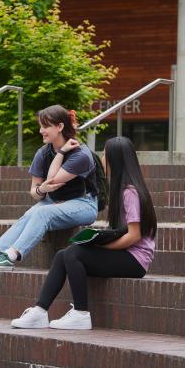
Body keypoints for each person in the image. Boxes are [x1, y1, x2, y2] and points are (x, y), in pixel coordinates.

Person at [10, 136, 157, 330]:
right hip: (126, 255)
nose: (102, 159)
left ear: (114, 159)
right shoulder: (122, 189)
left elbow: (134, 236)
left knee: (73, 253)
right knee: (63, 255)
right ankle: (39, 311)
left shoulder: (130, 192)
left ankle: (81, 313)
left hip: (136, 260)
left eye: (105, 155)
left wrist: (103, 245)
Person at [0, 105, 98, 271]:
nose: (41, 131)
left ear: (60, 127)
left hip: (83, 204)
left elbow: (52, 180)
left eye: (45, 126)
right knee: (29, 214)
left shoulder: (80, 154)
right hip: (54, 201)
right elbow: (35, 193)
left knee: (41, 212)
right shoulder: (43, 153)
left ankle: (11, 256)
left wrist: (61, 153)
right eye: (40, 126)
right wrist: (41, 190)